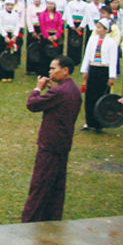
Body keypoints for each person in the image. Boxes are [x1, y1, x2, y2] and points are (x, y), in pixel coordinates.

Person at [22, 55, 82, 223]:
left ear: (65, 70)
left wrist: (37, 89)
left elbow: (32, 104)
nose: (50, 72)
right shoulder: (73, 89)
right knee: (56, 186)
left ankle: (30, 221)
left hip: (50, 145)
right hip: (63, 144)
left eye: (53, 68)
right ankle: (52, 219)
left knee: (40, 186)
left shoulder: (59, 92)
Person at [80, 18, 118, 132]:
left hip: (103, 69)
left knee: (101, 96)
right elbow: (87, 55)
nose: (98, 29)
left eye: (100, 27)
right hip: (93, 68)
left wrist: (111, 76)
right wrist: (85, 70)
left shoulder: (111, 42)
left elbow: (113, 60)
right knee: (90, 96)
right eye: (97, 27)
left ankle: (99, 123)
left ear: (106, 29)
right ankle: (89, 121)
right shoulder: (92, 39)